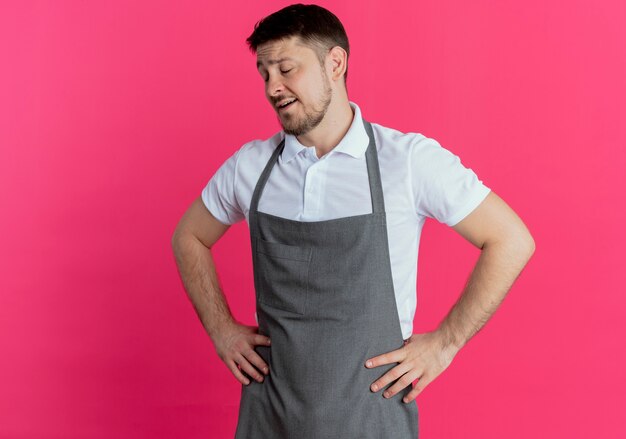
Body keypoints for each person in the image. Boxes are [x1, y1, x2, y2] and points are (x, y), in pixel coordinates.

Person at [171, 3, 535, 438]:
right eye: (264, 73)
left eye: (287, 69)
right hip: (270, 418)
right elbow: (188, 236)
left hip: (372, 420)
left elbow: (511, 239)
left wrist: (446, 343)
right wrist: (222, 330)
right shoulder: (249, 167)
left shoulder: (407, 161)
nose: (273, 87)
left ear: (335, 63)